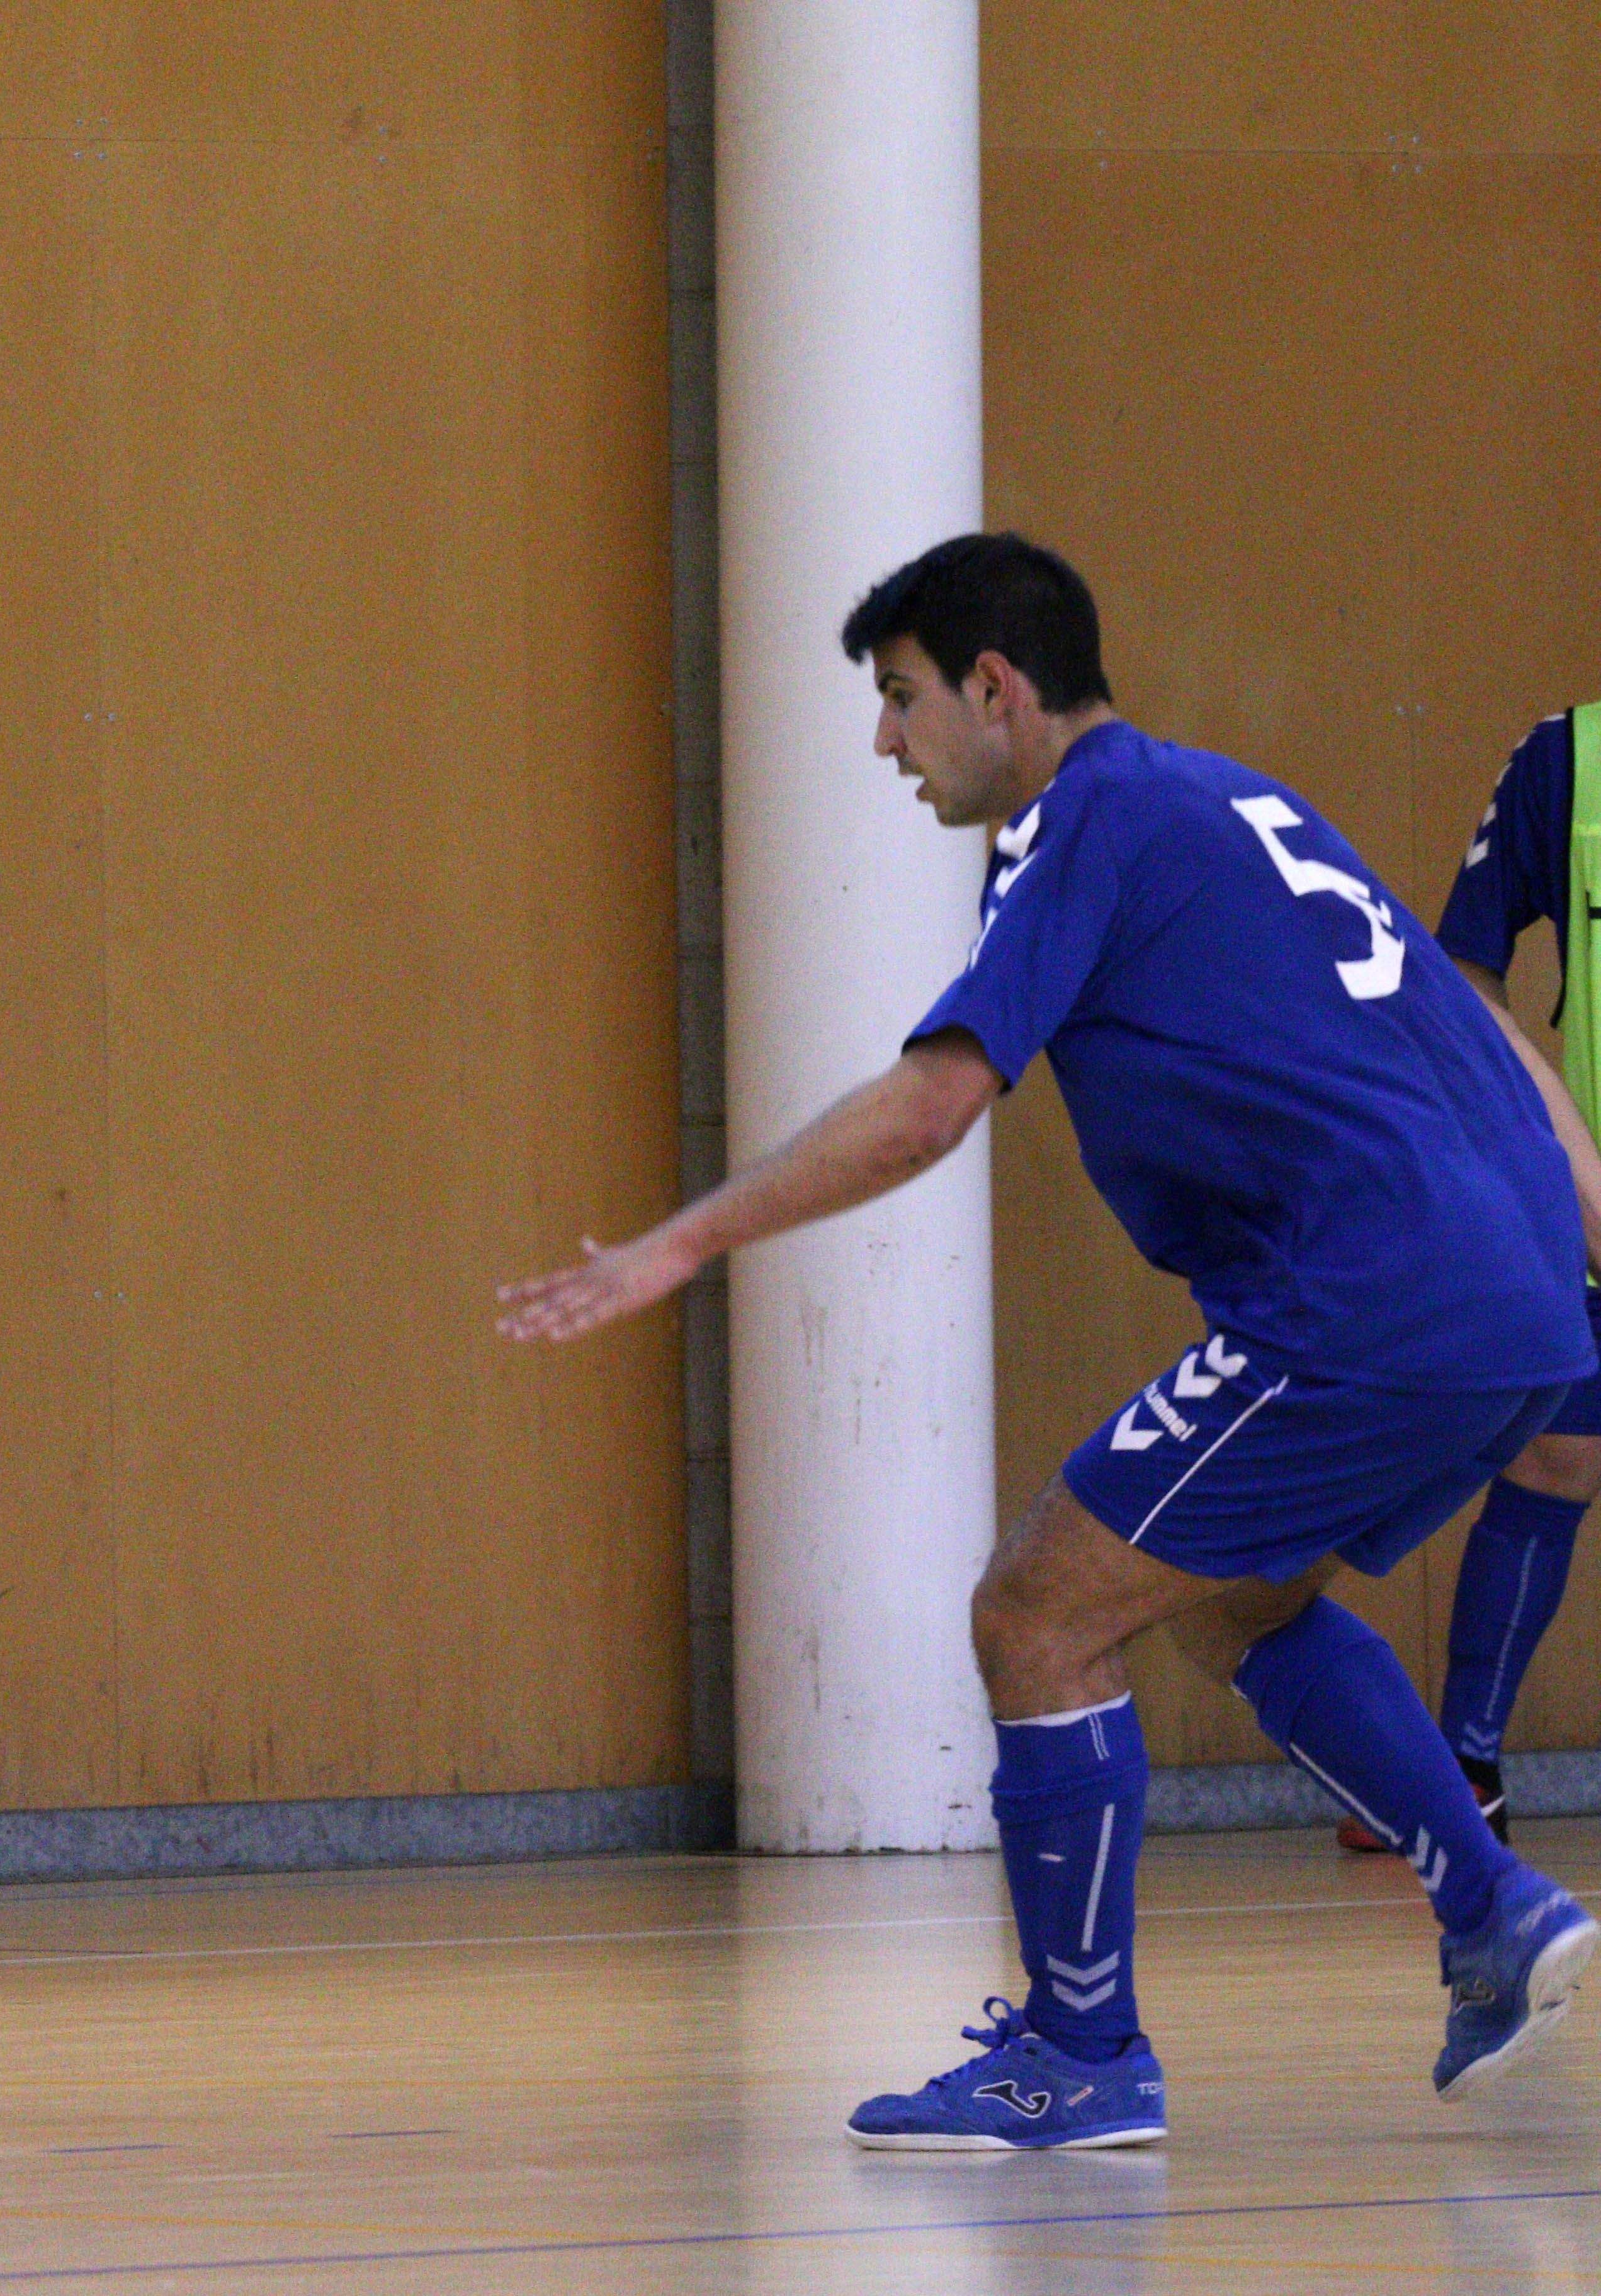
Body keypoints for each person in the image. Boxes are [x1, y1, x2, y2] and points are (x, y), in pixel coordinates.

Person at [501, 533, 1601, 2150]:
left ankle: (1081, 2056)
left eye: (902, 697)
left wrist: (686, 1241)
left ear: (997, 688)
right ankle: (1494, 1912)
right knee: (1224, 1598)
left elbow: (932, 1106)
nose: (888, 740)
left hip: (1368, 1297)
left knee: (1035, 1613)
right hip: (1515, 1298)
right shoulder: (1235, 799)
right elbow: (1482, 1032)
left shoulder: (1077, 819)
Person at [1333, 704, 1601, 1853]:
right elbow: (1464, 972)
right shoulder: (1568, 758)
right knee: (1555, 1451)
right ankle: (1463, 1767)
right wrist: (1568, 1166)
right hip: (1590, 1193)